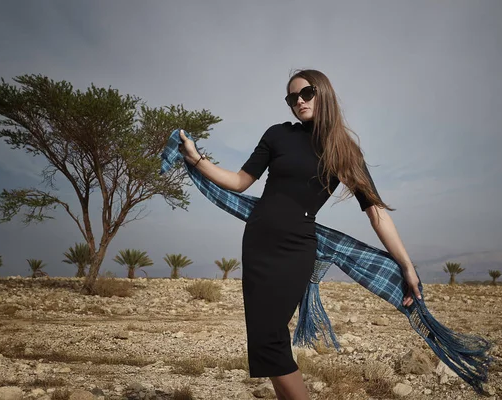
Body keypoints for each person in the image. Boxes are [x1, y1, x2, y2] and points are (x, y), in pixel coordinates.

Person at [178, 69, 421, 400]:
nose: (300, 101)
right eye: (293, 98)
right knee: (264, 343)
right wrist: (197, 159)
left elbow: (376, 214)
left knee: (270, 338)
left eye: (307, 93)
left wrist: (406, 265)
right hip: (259, 242)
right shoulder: (277, 135)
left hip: (295, 249)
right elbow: (239, 181)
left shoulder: (345, 152)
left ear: (324, 93)